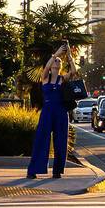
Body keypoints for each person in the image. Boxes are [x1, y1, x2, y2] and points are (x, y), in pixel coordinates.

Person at [28, 43, 77, 180]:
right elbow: (47, 67)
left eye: (59, 61)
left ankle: (57, 171)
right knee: (41, 139)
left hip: (61, 112)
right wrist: (56, 54)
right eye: (55, 60)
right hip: (48, 111)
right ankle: (33, 170)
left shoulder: (63, 79)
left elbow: (73, 72)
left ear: (61, 66)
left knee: (60, 141)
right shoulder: (45, 77)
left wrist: (68, 55)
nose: (57, 61)